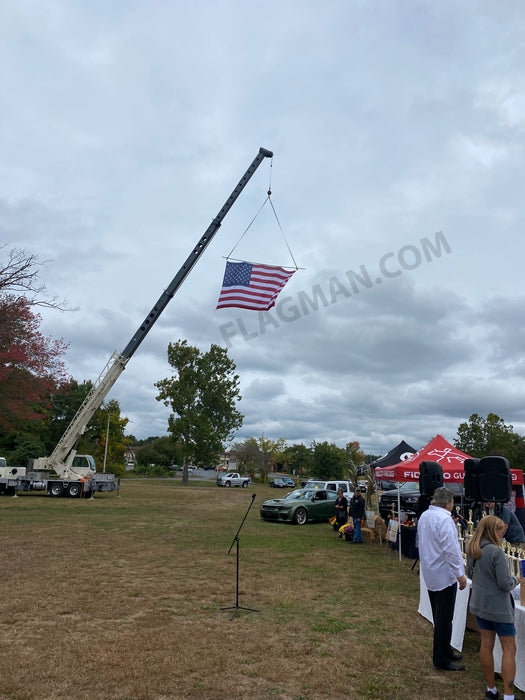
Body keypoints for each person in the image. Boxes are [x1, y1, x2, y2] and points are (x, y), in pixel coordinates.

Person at [466, 515, 523, 700]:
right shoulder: (496, 552)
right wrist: (517, 580)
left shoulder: (473, 548)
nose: (502, 533)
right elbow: (505, 583)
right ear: (492, 531)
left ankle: (491, 688)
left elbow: (469, 573)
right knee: (509, 648)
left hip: (481, 605)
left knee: (486, 645)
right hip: (498, 608)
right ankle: (508, 694)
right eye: (500, 530)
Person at [417, 486, 467, 671]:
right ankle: (441, 658)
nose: (453, 505)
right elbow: (451, 550)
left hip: (431, 570)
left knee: (442, 618)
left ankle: (445, 650)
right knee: (444, 619)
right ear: (447, 503)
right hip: (444, 574)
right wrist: (460, 574)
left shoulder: (425, 515)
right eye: (452, 502)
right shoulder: (443, 519)